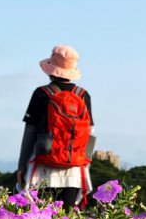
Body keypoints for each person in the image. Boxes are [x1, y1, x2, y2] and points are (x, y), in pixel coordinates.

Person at [16, 45, 94, 210]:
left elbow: (30, 132)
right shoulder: (83, 95)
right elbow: (89, 134)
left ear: (51, 69)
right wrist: (83, 162)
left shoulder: (41, 93)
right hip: (73, 171)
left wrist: (22, 166)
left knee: (41, 215)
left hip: (44, 165)